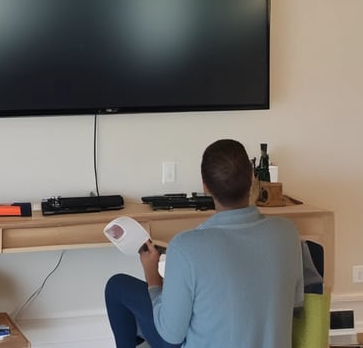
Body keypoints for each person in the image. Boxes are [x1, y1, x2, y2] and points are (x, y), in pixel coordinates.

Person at [104, 139, 303, 348]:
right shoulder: (287, 232)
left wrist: (153, 279)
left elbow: (171, 334)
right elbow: (296, 302)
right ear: (252, 179)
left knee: (117, 286)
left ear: (205, 187)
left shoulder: (185, 246)